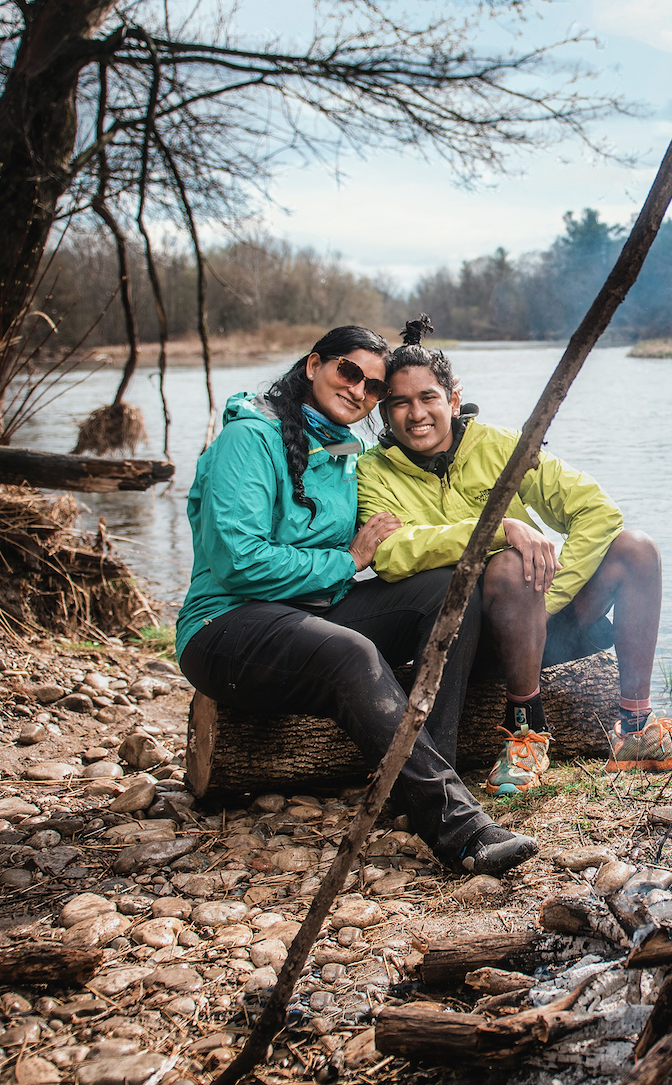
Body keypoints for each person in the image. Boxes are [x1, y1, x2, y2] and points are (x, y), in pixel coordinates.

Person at [175, 325, 538, 875]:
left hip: (313, 613)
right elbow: (238, 561)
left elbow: (403, 531)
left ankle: (427, 775)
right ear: (313, 365)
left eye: (373, 387)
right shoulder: (249, 439)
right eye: (349, 371)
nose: (358, 390)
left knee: (448, 588)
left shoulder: (346, 451)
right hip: (226, 626)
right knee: (351, 652)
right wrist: (347, 561)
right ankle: (459, 828)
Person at [356, 320, 672, 794]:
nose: (416, 414)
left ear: (453, 399)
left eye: (428, 397)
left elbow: (597, 511)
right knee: (509, 562)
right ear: (384, 411)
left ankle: (635, 729)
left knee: (635, 550)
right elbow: (392, 555)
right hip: (467, 639)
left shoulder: (500, 447)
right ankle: (525, 735)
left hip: (540, 621)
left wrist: (549, 601)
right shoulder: (372, 471)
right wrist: (495, 530)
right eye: (400, 403)